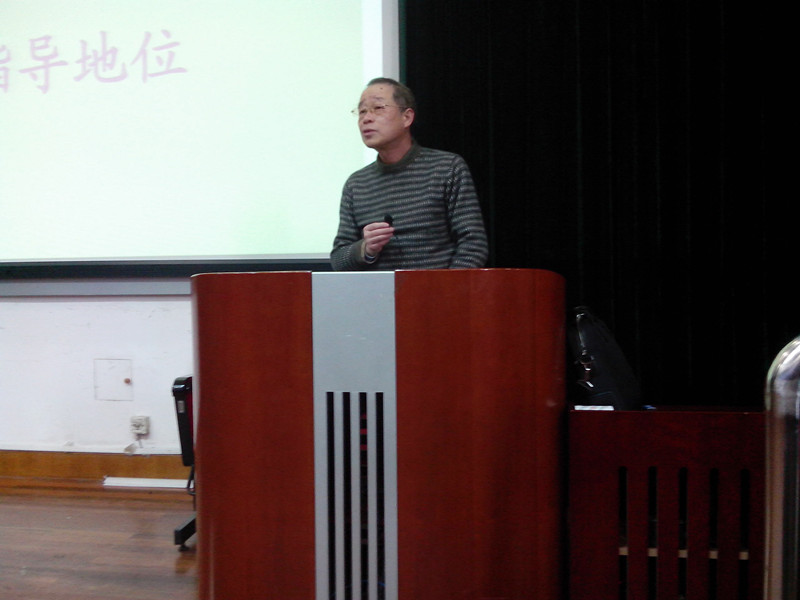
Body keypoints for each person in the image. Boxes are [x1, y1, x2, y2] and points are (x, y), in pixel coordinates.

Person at [330, 77, 489, 270]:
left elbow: (473, 245)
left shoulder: (447, 168)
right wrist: (366, 248)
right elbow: (338, 259)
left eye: (378, 108)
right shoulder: (356, 184)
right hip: (381, 289)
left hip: (438, 287)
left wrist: (446, 287)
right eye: (362, 111)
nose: (366, 118)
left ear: (407, 117)